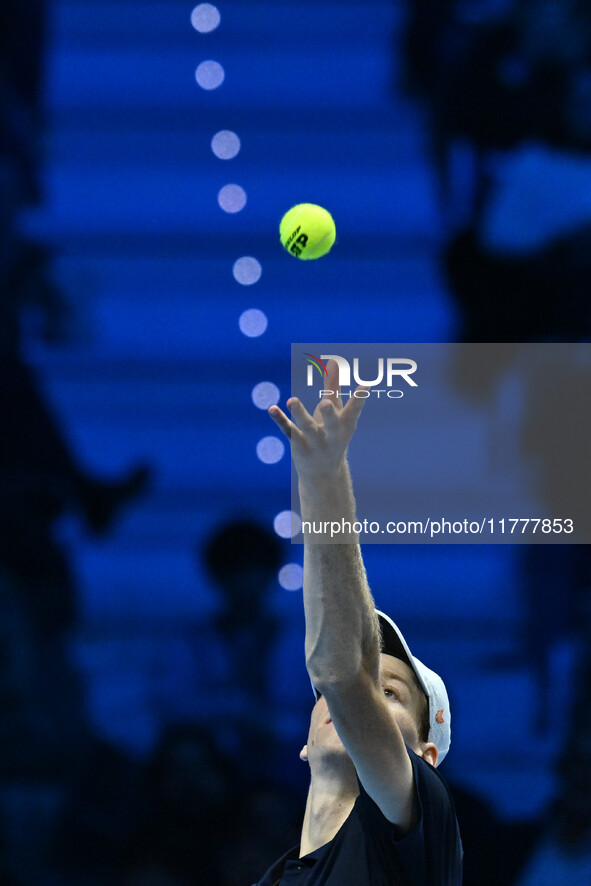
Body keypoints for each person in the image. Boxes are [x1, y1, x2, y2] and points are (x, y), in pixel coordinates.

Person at [260, 360, 463, 885]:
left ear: (425, 757)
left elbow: (341, 673)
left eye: (390, 694)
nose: (360, 700)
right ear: (303, 742)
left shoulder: (423, 828)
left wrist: (323, 479)